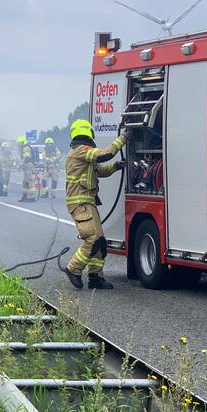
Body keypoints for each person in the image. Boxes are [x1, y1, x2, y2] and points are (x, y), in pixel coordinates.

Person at [63, 119, 127, 290]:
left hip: (87, 202)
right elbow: (105, 154)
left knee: (100, 242)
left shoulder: (82, 154)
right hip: (81, 203)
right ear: (89, 133)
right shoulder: (81, 151)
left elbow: (100, 170)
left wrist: (116, 166)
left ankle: (96, 277)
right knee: (92, 239)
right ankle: (73, 269)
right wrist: (122, 139)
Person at [17, 135, 37, 202]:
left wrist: (20, 165)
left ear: (22, 142)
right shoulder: (25, 148)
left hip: (29, 166)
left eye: (19, 143)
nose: (18, 145)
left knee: (30, 182)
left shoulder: (26, 148)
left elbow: (26, 158)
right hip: (26, 167)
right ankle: (24, 196)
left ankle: (31, 197)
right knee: (25, 182)